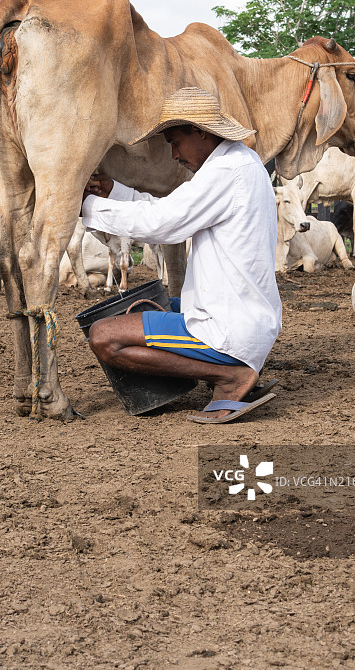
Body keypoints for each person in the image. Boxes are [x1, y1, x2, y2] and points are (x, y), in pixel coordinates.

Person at [81, 87, 282, 423]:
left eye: (174, 141)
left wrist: (86, 205)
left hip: (228, 328)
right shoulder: (239, 163)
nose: (174, 154)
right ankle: (229, 368)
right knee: (154, 305)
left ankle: (229, 375)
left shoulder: (226, 172)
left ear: (199, 131)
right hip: (244, 319)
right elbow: (170, 212)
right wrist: (114, 193)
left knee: (103, 336)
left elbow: (164, 224)